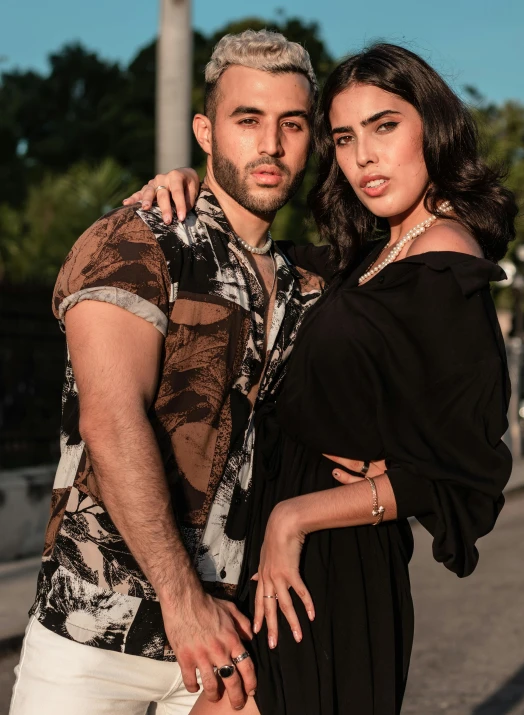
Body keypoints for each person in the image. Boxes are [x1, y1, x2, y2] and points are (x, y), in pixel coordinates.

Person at [126, 42, 516, 715]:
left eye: (385, 126)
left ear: (434, 126)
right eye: (343, 136)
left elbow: (468, 467)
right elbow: (264, 258)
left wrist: (292, 517)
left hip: (328, 573)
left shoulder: (445, 259)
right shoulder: (373, 255)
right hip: (287, 569)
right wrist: (190, 184)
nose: (364, 155)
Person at [9, 30, 325, 715]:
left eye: (291, 124)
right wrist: (183, 605)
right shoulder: (139, 239)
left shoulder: (310, 285)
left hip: (229, 640)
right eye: (248, 120)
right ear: (205, 130)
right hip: (96, 633)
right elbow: (110, 417)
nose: (270, 144)